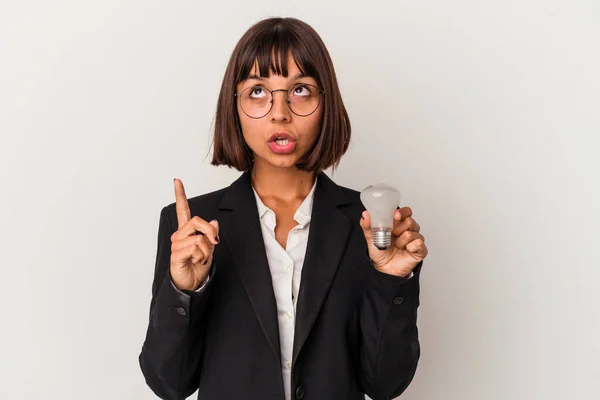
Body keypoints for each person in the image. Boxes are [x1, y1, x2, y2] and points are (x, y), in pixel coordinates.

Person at [139, 16, 428, 400]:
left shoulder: (368, 224)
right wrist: (184, 291)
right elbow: (169, 384)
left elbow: (385, 384)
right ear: (235, 105)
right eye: (258, 91)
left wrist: (391, 279)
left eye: (301, 90)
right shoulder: (192, 226)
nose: (280, 112)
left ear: (327, 104)